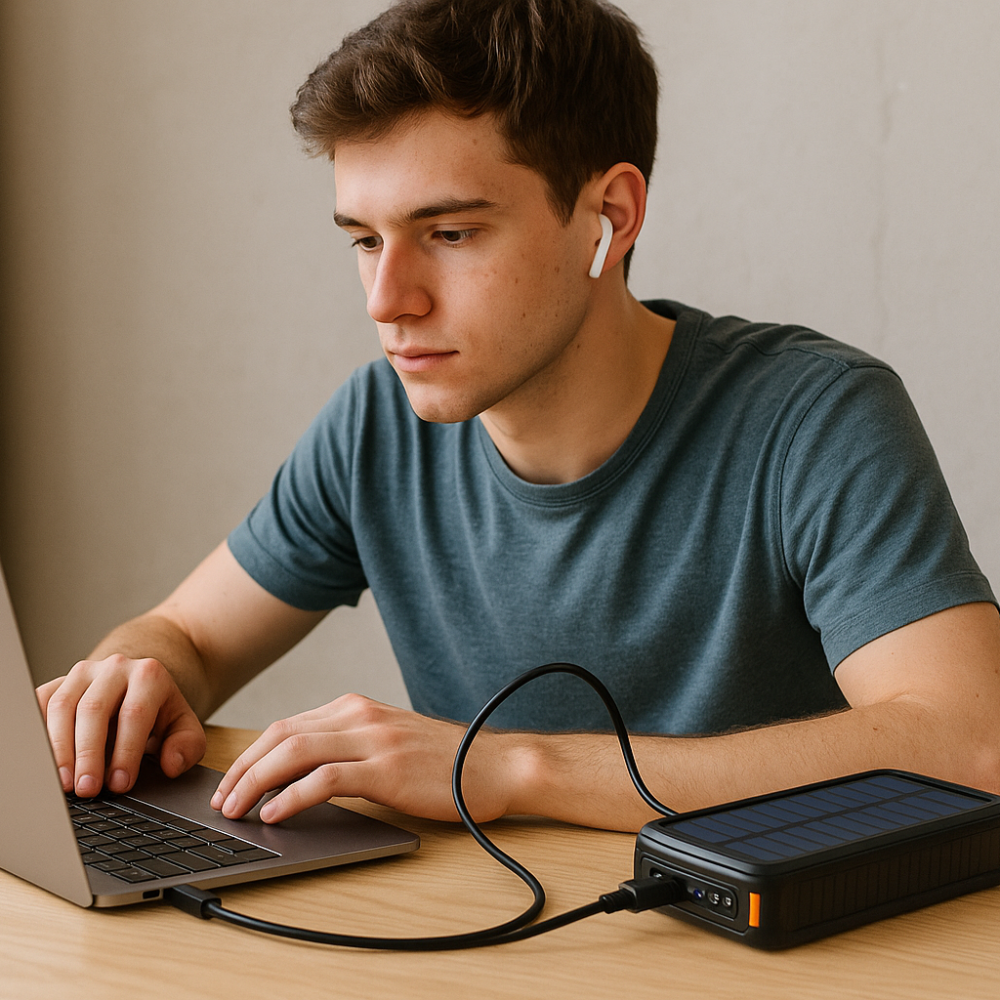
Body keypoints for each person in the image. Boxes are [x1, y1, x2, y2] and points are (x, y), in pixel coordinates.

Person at [37, 0, 1000, 833]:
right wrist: (129, 675)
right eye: (364, 239)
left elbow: (971, 743)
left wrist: (507, 768)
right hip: (492, 942)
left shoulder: (813, 418)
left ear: (610, 217)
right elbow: (191, 638)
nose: (387, 300)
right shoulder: (377, 426)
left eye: (451, 232)